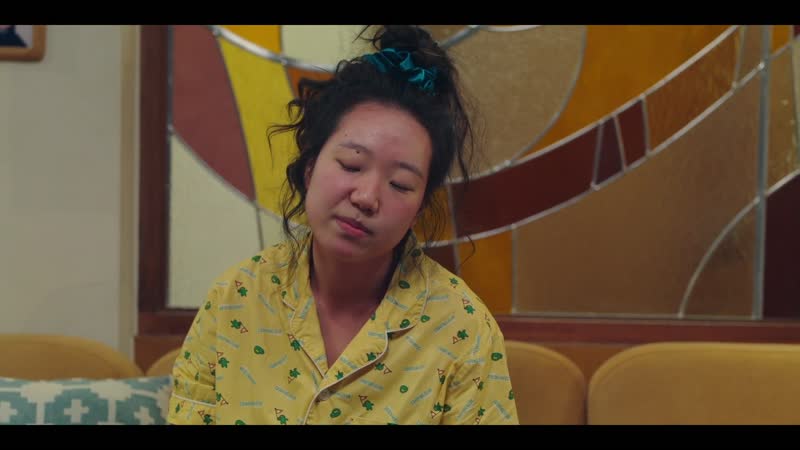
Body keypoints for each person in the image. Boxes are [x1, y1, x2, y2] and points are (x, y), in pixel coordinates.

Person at [167, 25, 519, 425]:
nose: (366, 197)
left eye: (400, 184)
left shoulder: (463, 328)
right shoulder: (235, 300)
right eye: (352, 165)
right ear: (310, 167)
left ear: (419, 209)